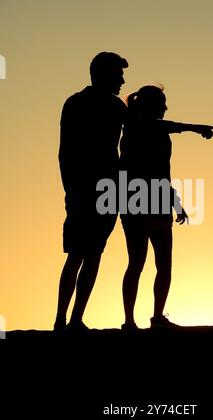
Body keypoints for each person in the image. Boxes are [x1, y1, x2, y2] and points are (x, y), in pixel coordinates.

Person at [119, 85, 213, 331]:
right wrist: (195, 128)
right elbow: (165, 127)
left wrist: (176, 204)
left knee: (163, 263)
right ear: (149, 104)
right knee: (137, 262)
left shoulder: (155, 130)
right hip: (135, 203)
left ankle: (156, 318)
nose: (165, 107)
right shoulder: (134, 127)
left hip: (158, 203)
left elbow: (162, 174)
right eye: (161, 103)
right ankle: (129, 321)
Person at [54, 52, 128, 334]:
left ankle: (74, 320)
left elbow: (146, 124)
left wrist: (187, 128)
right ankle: (62, 320)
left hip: (108, 190)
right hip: (82, 190)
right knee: (77, 254)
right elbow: (65, 152)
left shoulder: (116, 106)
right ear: (104, 73)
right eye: (118, 74)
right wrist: (71, 189)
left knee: (93, 254)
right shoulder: (76, 103)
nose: (122, 80)